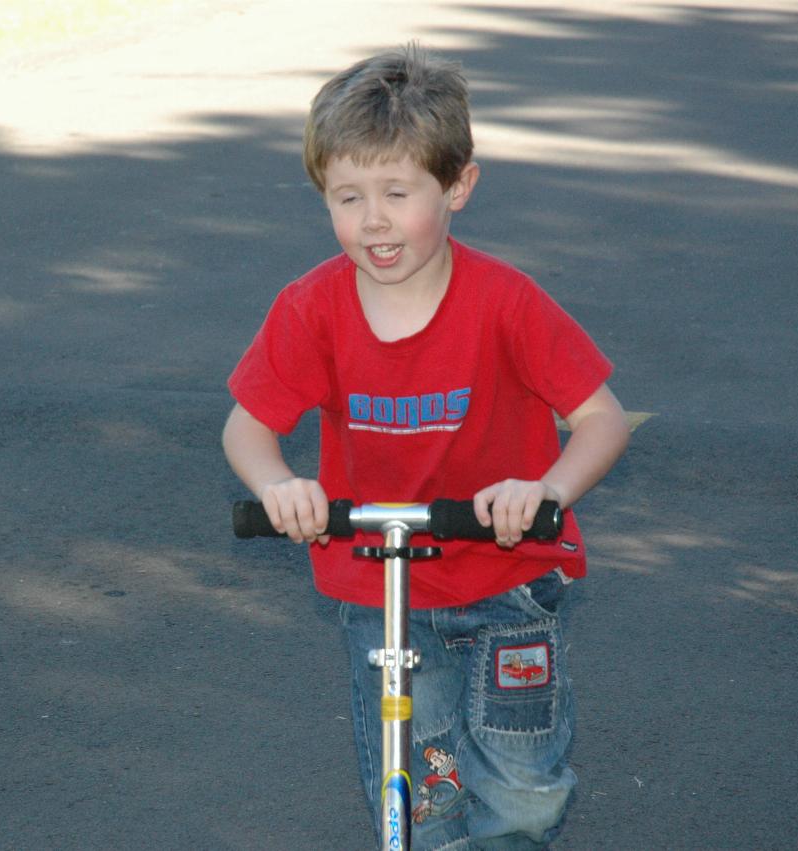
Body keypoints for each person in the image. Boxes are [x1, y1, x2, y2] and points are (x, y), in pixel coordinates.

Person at [222, 43, 630, 850]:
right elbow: (247, 425)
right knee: (415, 799)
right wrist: (279, 485)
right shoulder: (312, 308)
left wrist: (545, 492)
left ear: (458, 187)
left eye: (397, 193)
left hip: (505, 580)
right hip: (381, 592)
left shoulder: (504, 302)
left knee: (521, 795)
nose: (372, 218)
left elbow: (601, 418)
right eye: (347, 196)